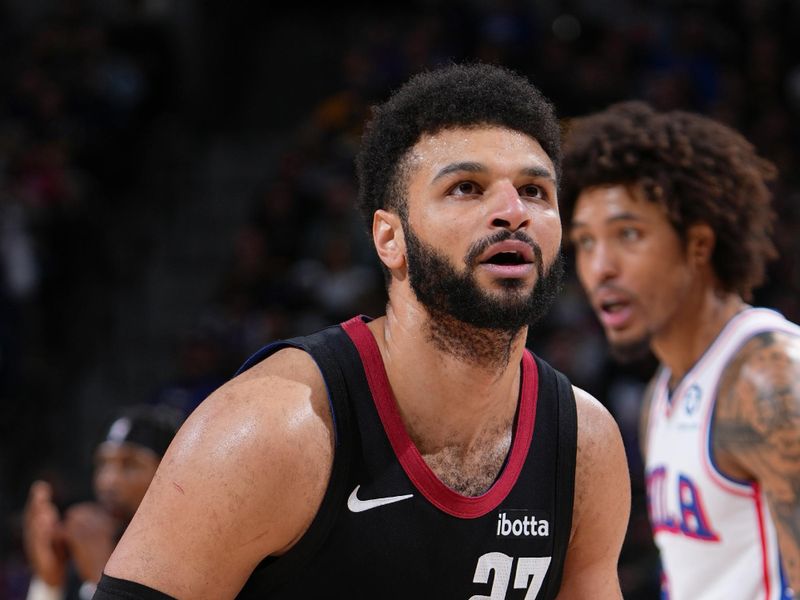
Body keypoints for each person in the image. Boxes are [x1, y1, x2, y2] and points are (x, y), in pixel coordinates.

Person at [94, 62, 631, 599]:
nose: (513, 212)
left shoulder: (584, 445)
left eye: (536, 191)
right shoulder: (274, 430)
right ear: (389, 239)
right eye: (467, 187)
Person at [561, 100, 800, 599]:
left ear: (697, 245)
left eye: (628, 234)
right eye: (584, 242)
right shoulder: (662, 395)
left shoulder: (769, 377)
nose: (600, 267)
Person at [23, 404, 184, 600]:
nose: (107, 481)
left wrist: (100, 578)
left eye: (130, 464)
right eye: (102, 464)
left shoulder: (183, 565)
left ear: (170, 471)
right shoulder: (79, 558)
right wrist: (49, 581)